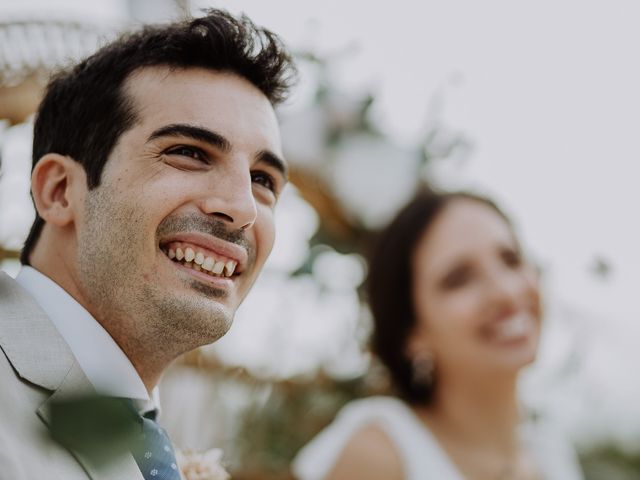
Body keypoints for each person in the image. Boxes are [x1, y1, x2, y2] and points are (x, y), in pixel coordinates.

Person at [0, 9, 295, 480]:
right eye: (189, 153)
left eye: (263, 179)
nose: (243, 208)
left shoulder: (137, 438)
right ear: (59, 191)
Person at [293, 190, 584, 480]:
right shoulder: (380, 453)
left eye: (511, 259)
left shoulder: (551, 455)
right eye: (459, 279)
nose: (507, 292)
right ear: (411, 333)